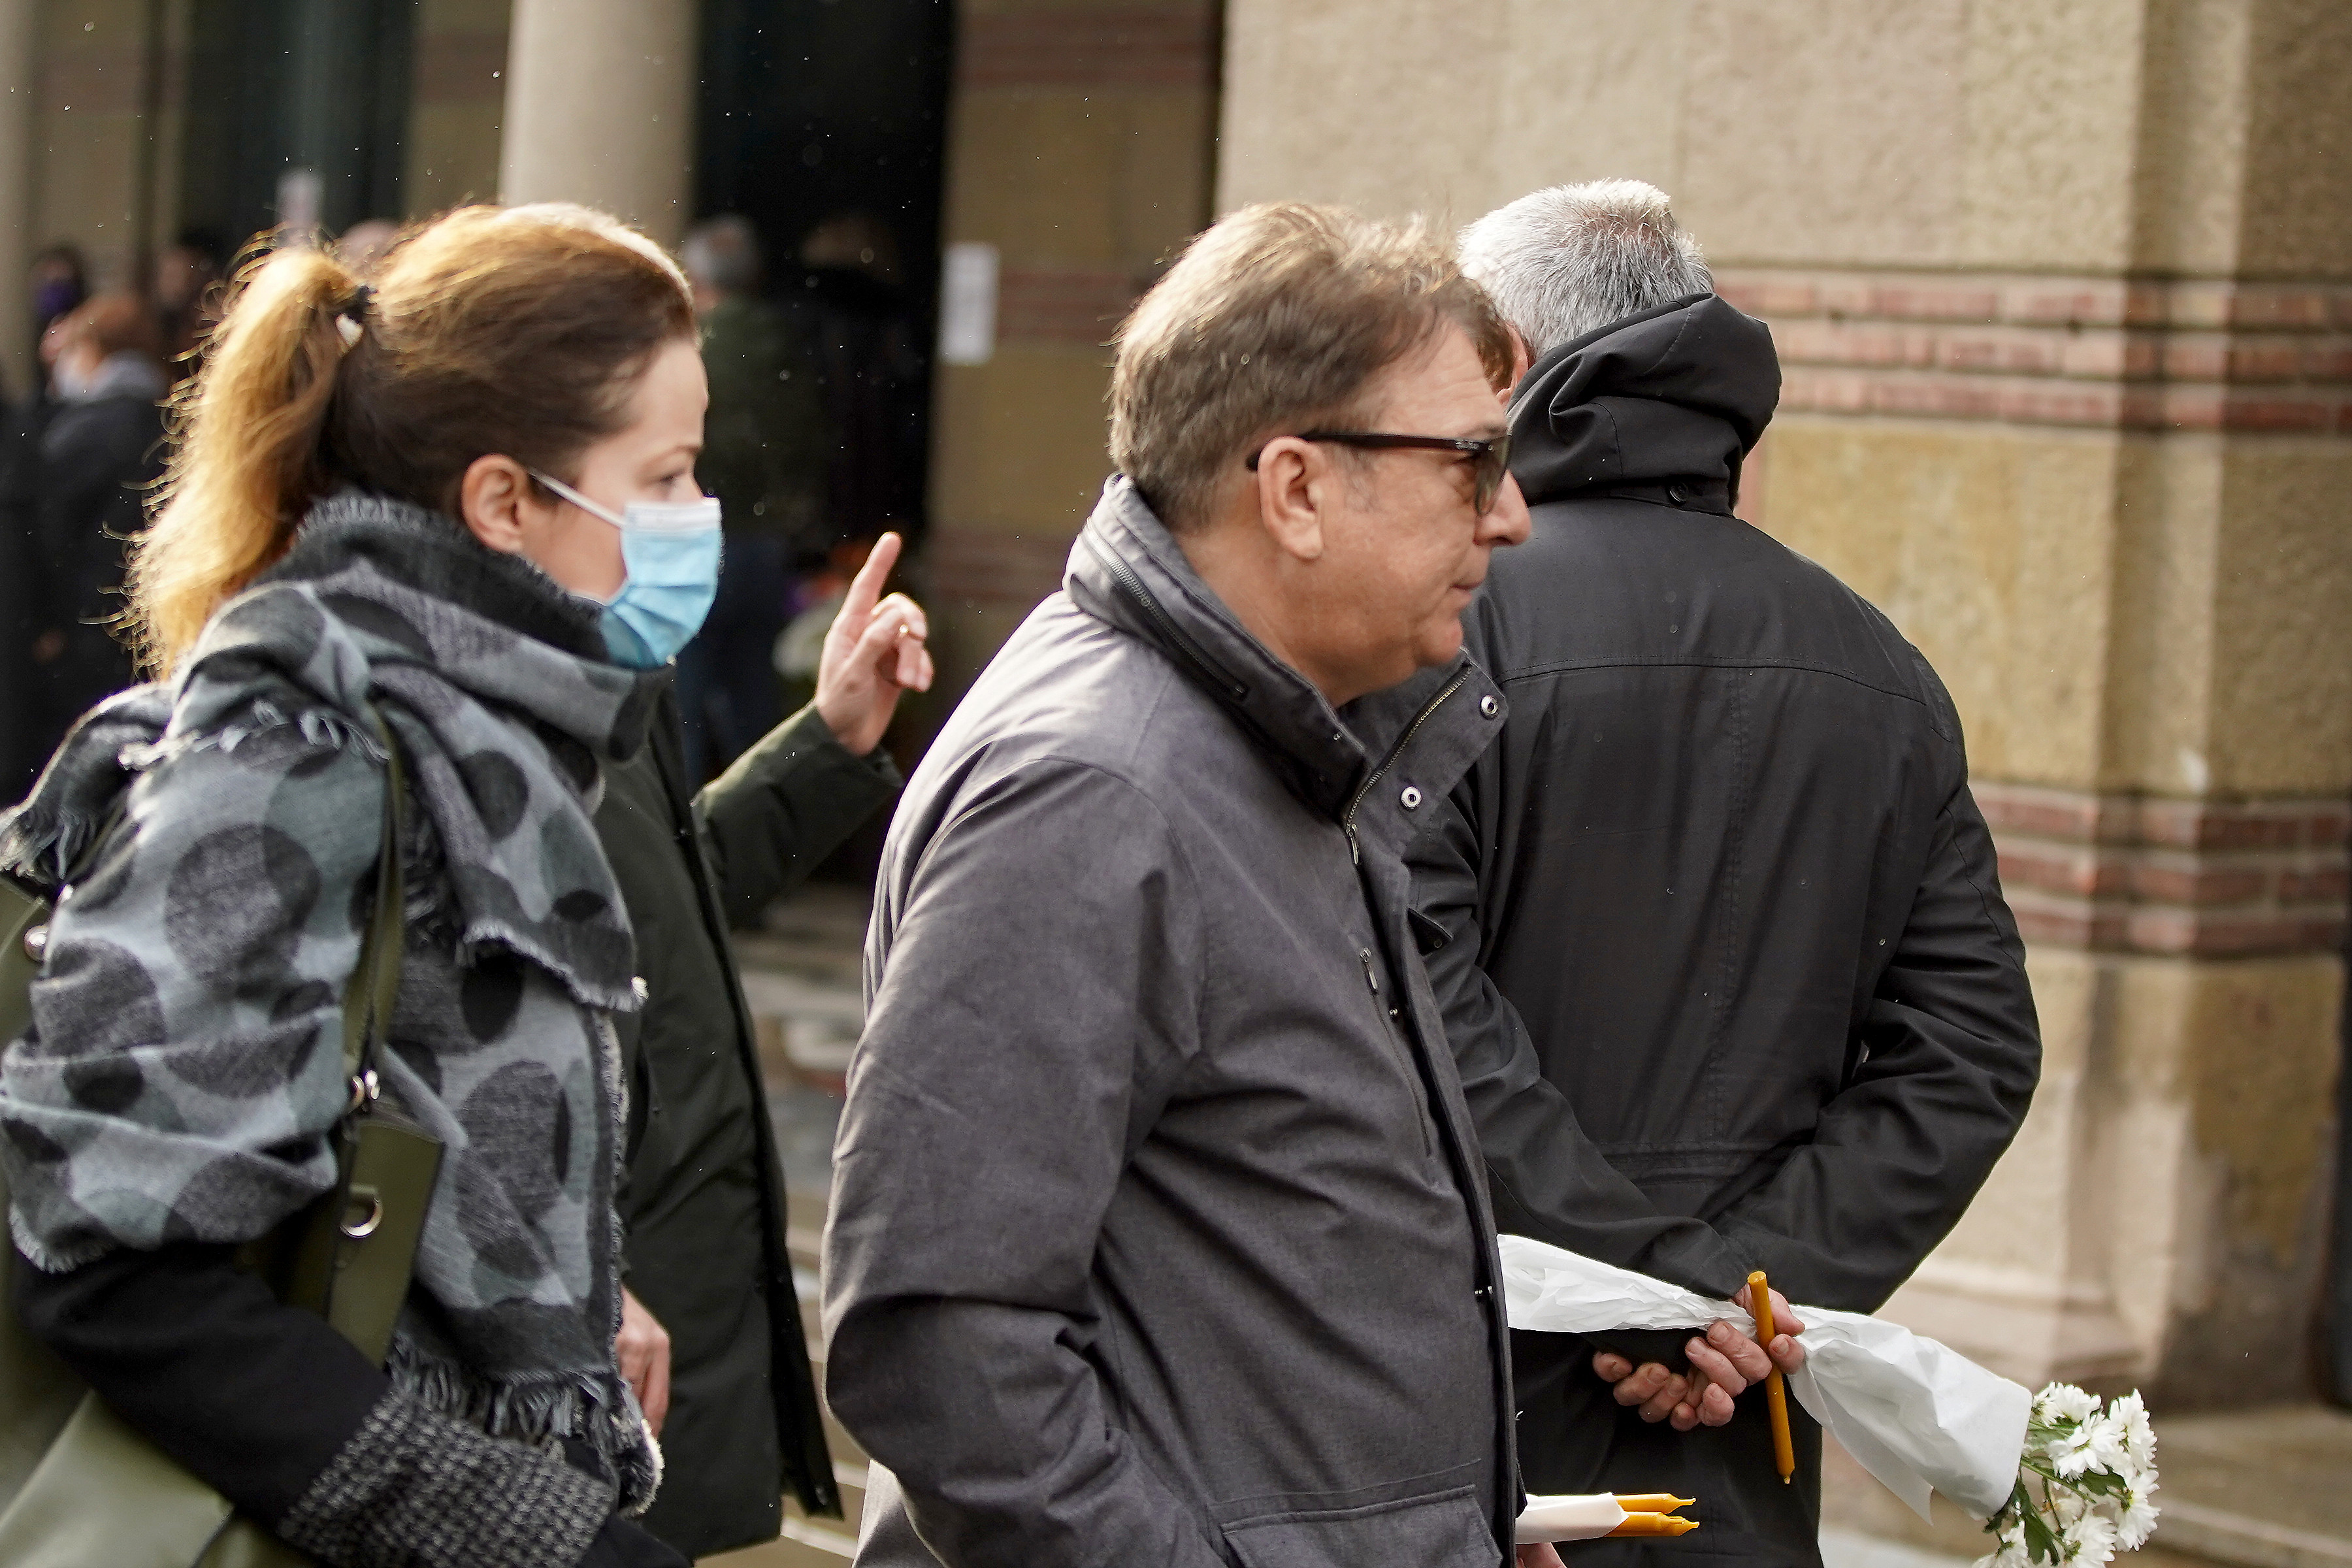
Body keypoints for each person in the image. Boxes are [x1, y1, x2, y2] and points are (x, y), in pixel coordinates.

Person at [0, 201, 734, 1568]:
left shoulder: (487, 724)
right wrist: (535, 1536)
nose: (701, 519)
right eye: (670, 475)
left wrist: (558, 1290)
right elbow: (117, 1262)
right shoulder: (305, 749)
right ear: (505, 502)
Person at [824, 201, 1553, 1568]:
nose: (1510, 515)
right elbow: (943, 1346)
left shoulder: (1255, 737)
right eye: (1474, 462)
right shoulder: (1096, 789)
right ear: (1296, 489)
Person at [1411, 178, 2042, 1565]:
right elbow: (1975, 1046)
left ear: (1511, 361)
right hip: (1731, 1449)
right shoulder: (1876, 660)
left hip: (1468, 1427)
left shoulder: (1442, 627)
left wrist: (1672, 1300)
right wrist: (1740, 1297)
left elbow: (1401, 990)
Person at [602, 522, 930, 1560]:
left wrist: (826, 739)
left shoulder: (603, 678)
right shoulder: (455, 708)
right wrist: (563, 1280)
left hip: (659, 1340)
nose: (696, 513)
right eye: (661, 475)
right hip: (585, 1354)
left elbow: (662, 899)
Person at [672, 215, 829, 780]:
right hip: (767, 544)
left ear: (696, 280)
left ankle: (682, 830)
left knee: (683, 713)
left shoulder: (695, 352)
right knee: (754, 711)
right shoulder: (788, 348)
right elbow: (812, 443)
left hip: (700, 539)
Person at [20, 293, 169, 774]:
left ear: (96, 351)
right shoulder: (172, 421)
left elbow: (44, 534)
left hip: (84, 632)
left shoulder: (82, 431)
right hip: (150, 628)